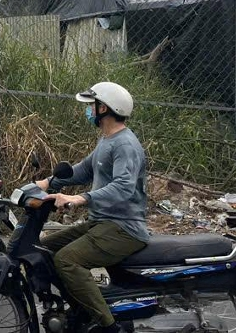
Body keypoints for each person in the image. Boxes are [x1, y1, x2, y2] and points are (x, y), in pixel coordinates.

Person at [35, 82, 150, 333]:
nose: (88, 110)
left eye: (91, 106)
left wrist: (81, 198)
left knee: (67, 260)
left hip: (124, 228)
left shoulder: (125, 145)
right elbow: (84, 170)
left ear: (104, 108)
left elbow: (123, 187)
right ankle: (78, 310)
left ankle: (108, 326)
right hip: (102, 223)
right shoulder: (107, 140)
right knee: (42, 248)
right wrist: (46, 183)